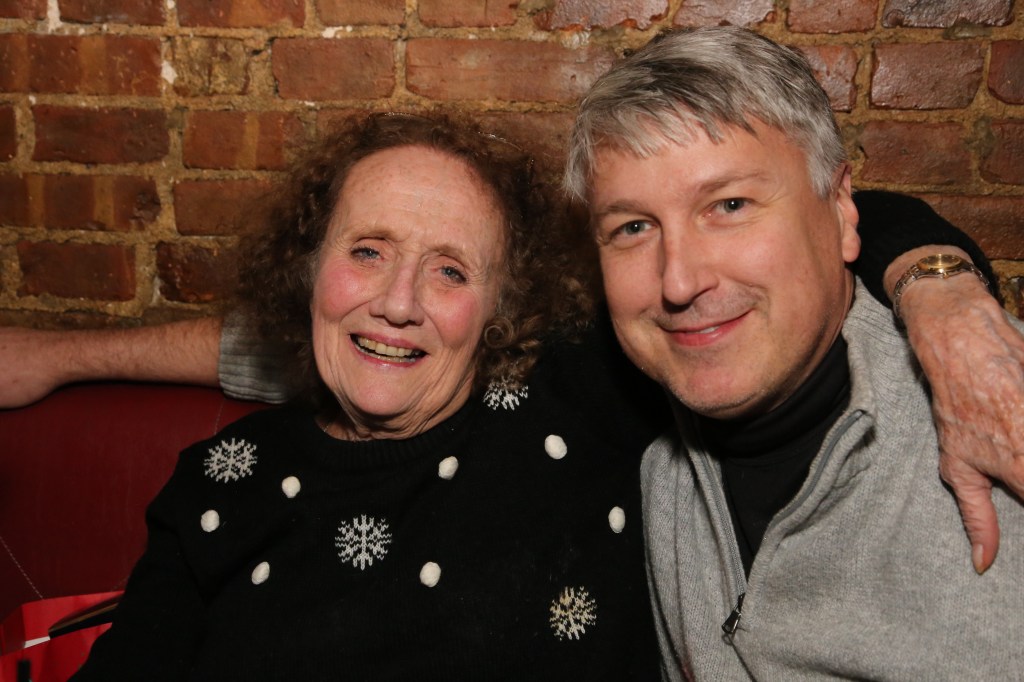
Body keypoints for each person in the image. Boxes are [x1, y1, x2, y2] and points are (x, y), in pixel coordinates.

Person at [71, 112, 664, 679]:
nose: (398, 303)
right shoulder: (220, 483)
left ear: (502, 308)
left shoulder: (582, 404)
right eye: (368, 251)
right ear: (307, 269)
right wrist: (60, 357)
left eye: (450, 271)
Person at [564, 26, 1024, 679]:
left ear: (840, 211)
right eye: (633, 226)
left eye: (729, 205)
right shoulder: (634, 433)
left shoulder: (997, 404)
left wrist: (943, 294)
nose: (679, 281)